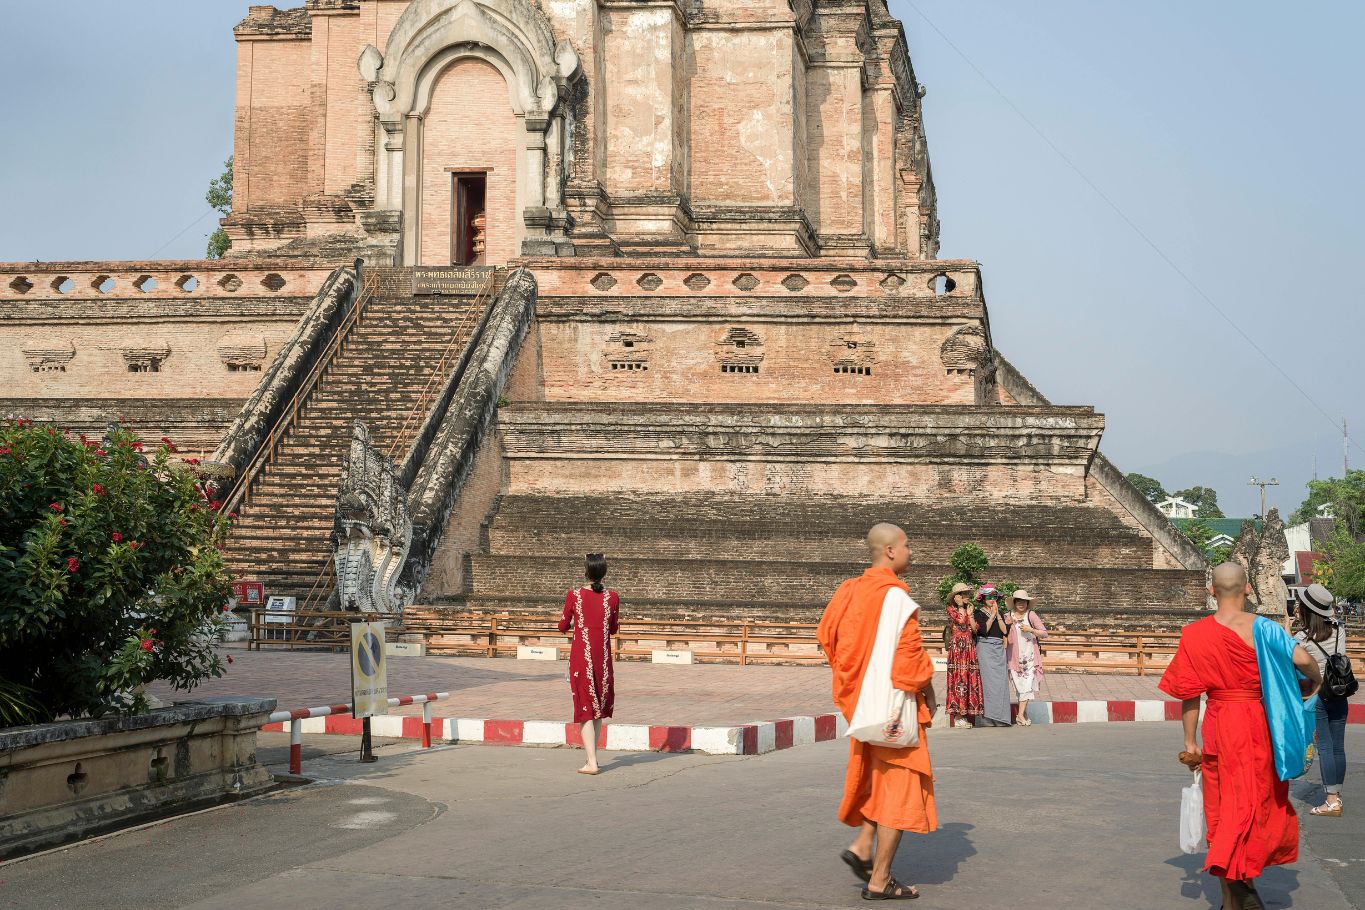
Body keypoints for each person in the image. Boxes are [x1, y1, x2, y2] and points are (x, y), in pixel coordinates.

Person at [1159, 563, 1323, 910]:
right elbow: (1305, 660)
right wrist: (1316, 682)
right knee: (1255, 802)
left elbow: (1190, 693)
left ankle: (1232, 894)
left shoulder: (1195, 634)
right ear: (1248, 589)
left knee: (1224, 809)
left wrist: (1190, 743)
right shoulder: (1265, 629)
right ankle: (1240, 886)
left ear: (1211, 591)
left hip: (1220, 723)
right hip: (1260, 725)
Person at [817, 523, 938, 901]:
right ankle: (880, 879)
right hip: (894, 711)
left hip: (865, 707)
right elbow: (909, 668)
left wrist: (859, 683)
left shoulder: (849, 591)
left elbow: (828, 637)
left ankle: (863, 845)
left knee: (879, 780)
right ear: (889, 551)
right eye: (907, 545)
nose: (911, 552)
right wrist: (930, 690)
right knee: (899, 791)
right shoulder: (898, 600)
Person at [557, 553, 620, 775]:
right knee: (598, 709)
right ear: (604, 573)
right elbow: (613, 629)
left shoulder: (574, 596)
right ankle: (592, 758)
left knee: (585, 707)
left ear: (586, 571)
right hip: (602, 658)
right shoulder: (612, 597)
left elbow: (562, 625)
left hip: (581, 657)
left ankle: (591, 762)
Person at [1292, 583, 1350, 817]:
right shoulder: (1340, 628)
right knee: (1338, 747)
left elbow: (1295, 663)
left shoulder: (1302, 638)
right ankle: (1336, 793)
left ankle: (1331, 801)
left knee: (1324, 747)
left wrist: (1292, 626)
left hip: (1319, 695)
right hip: (1340, 692)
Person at [1004, 590, 1048, 725]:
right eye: (1018, 601)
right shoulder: (1007, 616)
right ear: (1014, 603)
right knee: (1020, 688)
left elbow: (1044, 633)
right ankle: (1023, 714)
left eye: (1024, 601)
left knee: (1028, 686)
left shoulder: (1031, 615)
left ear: (1027, 603)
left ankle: (1020, 716)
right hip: (1013, 658)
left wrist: (1031, 630)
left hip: (1030, 658)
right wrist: (1007, 624)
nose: (1021, 604)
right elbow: (1002, 633)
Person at [943, 582, 983, 728]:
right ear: (956, 597)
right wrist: (960, 607)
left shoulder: (968, 609)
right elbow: (959, 620)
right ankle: (958, 715)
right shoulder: (951, 609)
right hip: (957, 649)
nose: (967, 597)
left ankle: (965, 713)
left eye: (967, 594)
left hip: (968, 647)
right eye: (964, 594)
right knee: (959, 678)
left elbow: (974, 629)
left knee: (968, 679)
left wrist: (970, 614)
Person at [973, 585, 1012, 727]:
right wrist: (993, 615)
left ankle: (1001, 717)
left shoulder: (1000, 612)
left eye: (994, 597)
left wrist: (998, 615)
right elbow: (984, 630)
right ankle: (987, 718)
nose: (991, 600)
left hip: (999, 648)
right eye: (989, 597)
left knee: (1000, 683)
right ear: (983, 599)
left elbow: (1004, 631)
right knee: (987, 683)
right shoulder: (978, 613)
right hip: (984, 647)